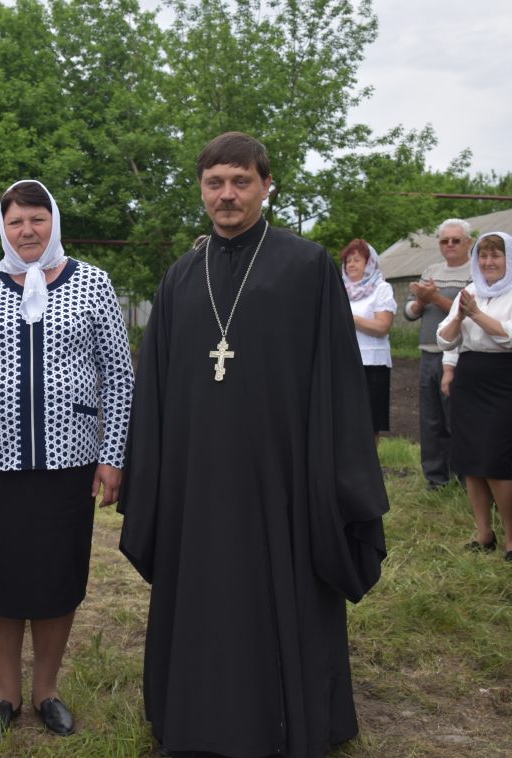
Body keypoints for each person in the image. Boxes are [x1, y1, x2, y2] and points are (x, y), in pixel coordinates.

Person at [118, 131, 389, 757]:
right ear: (202, 190)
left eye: (241, 181)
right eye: (215, 182)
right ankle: (194, 714)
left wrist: (333, 474)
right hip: (196, 480)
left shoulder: (305, 267)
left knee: (279, 591)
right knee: (203, 593)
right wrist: (149, 472)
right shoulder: (181, 278)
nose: (227, 194)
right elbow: (154, 390)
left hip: (281, 479)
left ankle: (287, 719)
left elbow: (335, 382)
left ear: (266, 185)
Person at [0, 179, 134, 740]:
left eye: (37, 220)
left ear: (54, 222)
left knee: (57, 578)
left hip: (71, 461)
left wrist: (112, 455)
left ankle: (46, 690)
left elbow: (119, 375)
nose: (27, 231)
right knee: (0, 580)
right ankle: (6, 693)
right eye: (16, 221)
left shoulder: (91, 282)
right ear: (4, 227)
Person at [437, 231, 512, 562]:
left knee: (498, 460)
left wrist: (474, 315)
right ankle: (483, 533)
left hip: (506, 377)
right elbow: (445, 339)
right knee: (472, 460)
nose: (488, 262)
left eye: (496, 255)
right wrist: (459, 314)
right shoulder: (471, 290)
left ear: (511, 258)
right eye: (483, 256)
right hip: (470, 377)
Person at [404, 220, 473, 488]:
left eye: (456, 240)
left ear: (468, 242)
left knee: (457, 418)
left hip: (459, 355)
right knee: (431, 419)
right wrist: (422, 299)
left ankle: (464, 477)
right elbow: (409, 313)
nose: (451, 245)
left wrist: (435, 298)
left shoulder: (474, 272)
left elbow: (468, 313)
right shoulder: (431, 270)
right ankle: (436, 478)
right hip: (428, 354)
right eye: (445, 241)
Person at [341, 239, 397, 443]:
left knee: (369, 421)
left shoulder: (381, 288)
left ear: (370, 263)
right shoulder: (340, 290)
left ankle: (369, 470)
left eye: (358, 260)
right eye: (348, 261)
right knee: (344, 418)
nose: (351, 265)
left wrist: (349, 317)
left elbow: (382, 327)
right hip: (344, 362)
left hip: (372, 364)